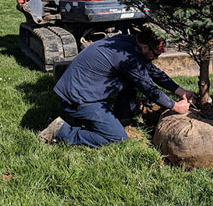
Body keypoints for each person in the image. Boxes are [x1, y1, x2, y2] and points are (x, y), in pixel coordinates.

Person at [38, 26, 195, 148]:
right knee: (117, 138)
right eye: (156, 54)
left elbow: (152, 71)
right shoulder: (127, 57)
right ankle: (61, 132)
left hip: (82, 89)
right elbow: (149, 88)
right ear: (146, 47)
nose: (156, 58)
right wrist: (175, 106)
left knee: (130, 84)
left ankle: (121, 119)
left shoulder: (130, 42)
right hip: (78, 99)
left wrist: (181, 91)